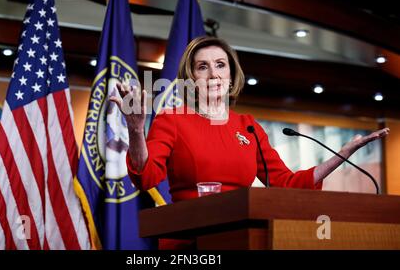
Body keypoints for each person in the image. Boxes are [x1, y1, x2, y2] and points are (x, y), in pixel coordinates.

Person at [109, 36, 390, 249]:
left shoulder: (249, 126)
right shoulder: (172, 119)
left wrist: (340, 155)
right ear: (191, 79)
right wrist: (135, 130)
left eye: (221, 65)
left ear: (231, 75)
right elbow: (146, 177)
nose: (213, 74)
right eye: (202, 67)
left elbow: (284, 183)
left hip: (243, 238)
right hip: (189, 242)